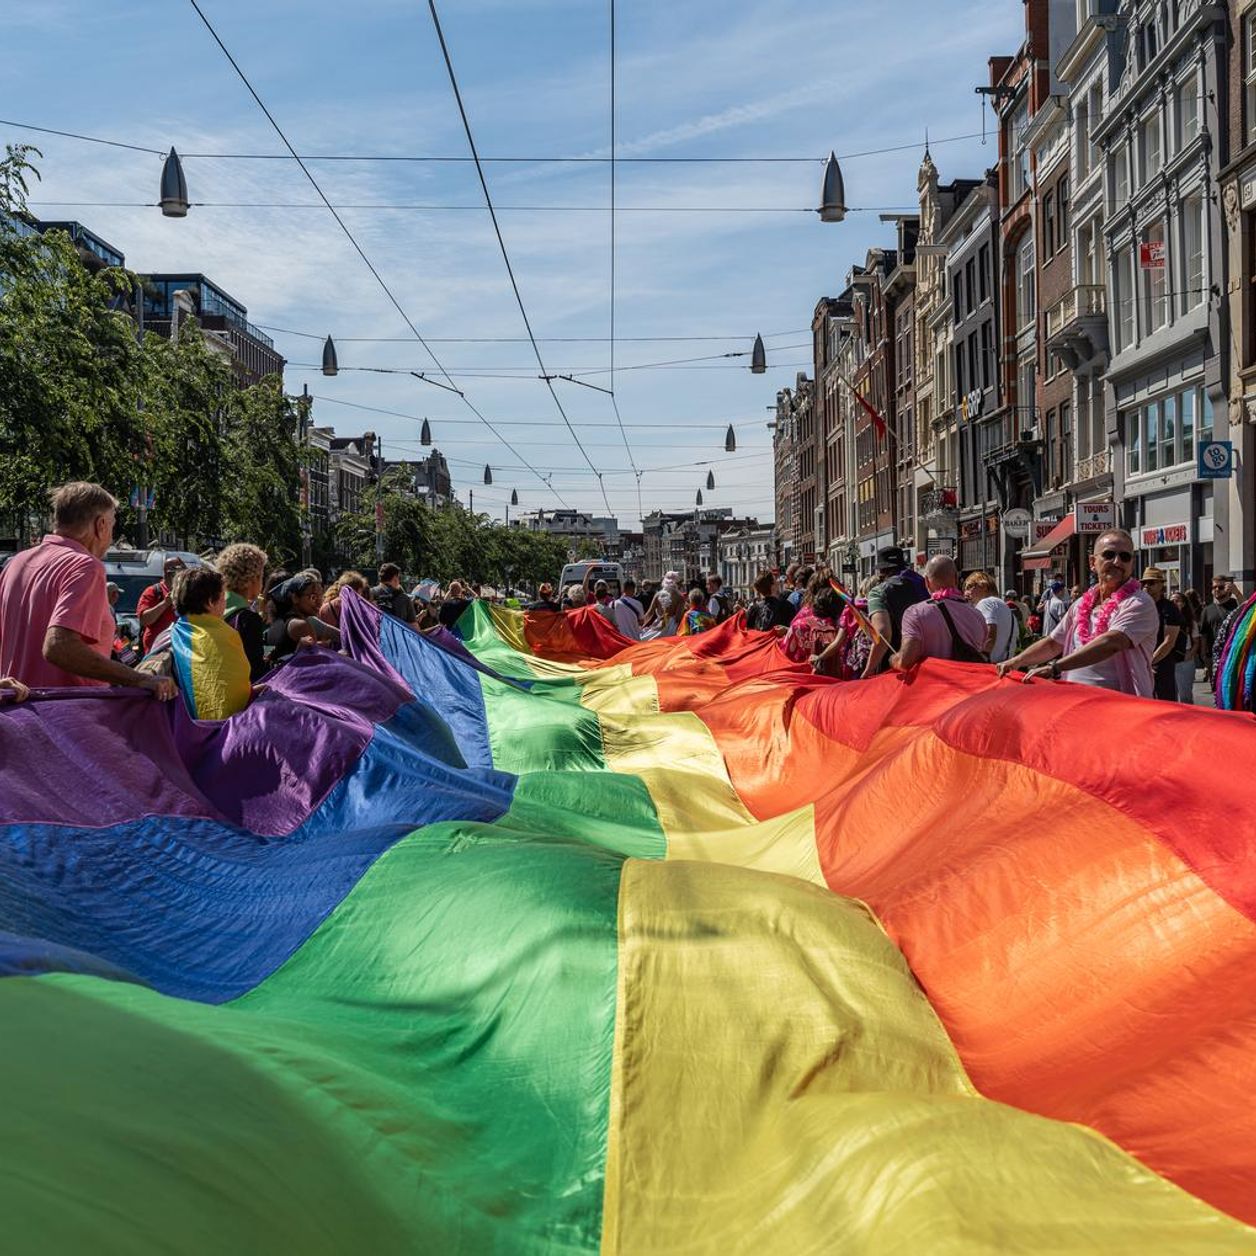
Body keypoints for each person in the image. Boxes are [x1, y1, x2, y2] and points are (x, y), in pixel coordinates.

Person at [0, 482, 174, 698]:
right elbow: (58, 646)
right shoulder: (85, 566)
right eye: (112, 526)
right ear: (101, 525)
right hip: (67, 713)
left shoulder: (16, 563)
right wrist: (140, 678)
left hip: (16, 715)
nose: (111, 537)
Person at [996, 530, 1159, 697]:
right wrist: (1016, 662)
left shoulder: (1139, 603)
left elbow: (1112, 642)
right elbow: (1053, 644)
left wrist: (1055, 668)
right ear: (1092, 562)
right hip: (1076, 703)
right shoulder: (1081, 604)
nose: (1117, 562)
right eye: (1109, 555)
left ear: (1132, 564)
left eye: (1125, 557)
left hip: (1120, 706)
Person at [168, 566, 254, 720]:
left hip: (182, 731)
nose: (225, 604)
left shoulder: (169, 635)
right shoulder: (226, 635)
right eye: (222, 598)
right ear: (209, 602)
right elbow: (232, 693)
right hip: (228, 731)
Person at [891, 556, 988, 670]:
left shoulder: (915, 613)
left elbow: (905, 662)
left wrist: (894, 659)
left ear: (926, 581)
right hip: (970, 685)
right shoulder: (977, 615)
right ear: (956, 578)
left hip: (933, 685)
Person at [863, 546, 928, 677]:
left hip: (894, 665)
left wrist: (868, 670)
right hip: (926, 663)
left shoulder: (878, 592)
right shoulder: (925, 584)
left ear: (881, 570)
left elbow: (883, 635)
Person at [216, 542, 269, 682]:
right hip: (239, 696)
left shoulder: (213, 610)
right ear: (253, 579)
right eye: (261, 576)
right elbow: (255, 671)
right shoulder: (248, 619)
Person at [1141, 566, 1185, 702]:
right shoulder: (1140, 606)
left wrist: (1149, 663)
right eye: (1144, 583)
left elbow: (1168, 642)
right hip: (1141, 662)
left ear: (1161, 585)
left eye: (1151, 583)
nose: (1146, 586)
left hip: (1160, 664)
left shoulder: (1169, 608)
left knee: (1164, 704)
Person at [265, 570, 326, 665]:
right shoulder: (301, 626)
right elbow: (315, 666)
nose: (319, 602)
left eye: (320, 597)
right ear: (295, 598)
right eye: (313, 597)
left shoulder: (278, 622)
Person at [136, 555, 186, 654]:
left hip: (181, 647)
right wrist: (165, 604)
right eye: (179, 571)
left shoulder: (186, 591)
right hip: (157, 648)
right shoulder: (153, 591)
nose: (183, 575)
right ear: (168, 573)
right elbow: (144, 620)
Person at [963, 571, 1016, 663]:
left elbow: (990, 633)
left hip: (989, 664)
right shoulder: (1003, 606)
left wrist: (982, 658)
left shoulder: (986, 603)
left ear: (983, 586)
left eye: (970, 587)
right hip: (1004, 662)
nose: (967, 592)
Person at [780, 586, 842, 665]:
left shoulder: (798, 626)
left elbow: (785, 655)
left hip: (803, 674)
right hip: (835, 675)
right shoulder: (841, 629)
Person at [1201, 575, 1240, 684]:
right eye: (1214, 587)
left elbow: (1247, 610)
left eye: (1221, 587)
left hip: (1233, 653)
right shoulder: (1207, 610)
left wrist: (1237, 592)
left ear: (1228, 589)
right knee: (1217, 688)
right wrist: (1204, 656)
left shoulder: (1236, 604)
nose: (1217, 590)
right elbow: (1204, 634)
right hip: (1215, 657)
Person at [1171, 590, 1200, 704]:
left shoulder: (1190, 622)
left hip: (1185, 660)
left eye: (1177, 600)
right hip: (1169, 660)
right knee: (1170, 696)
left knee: (1185, 696)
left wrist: (1190, 654)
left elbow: (1196, 642)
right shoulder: (1164, 619)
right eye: (1172, 600)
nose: (1174, 602)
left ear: (1183, 604)